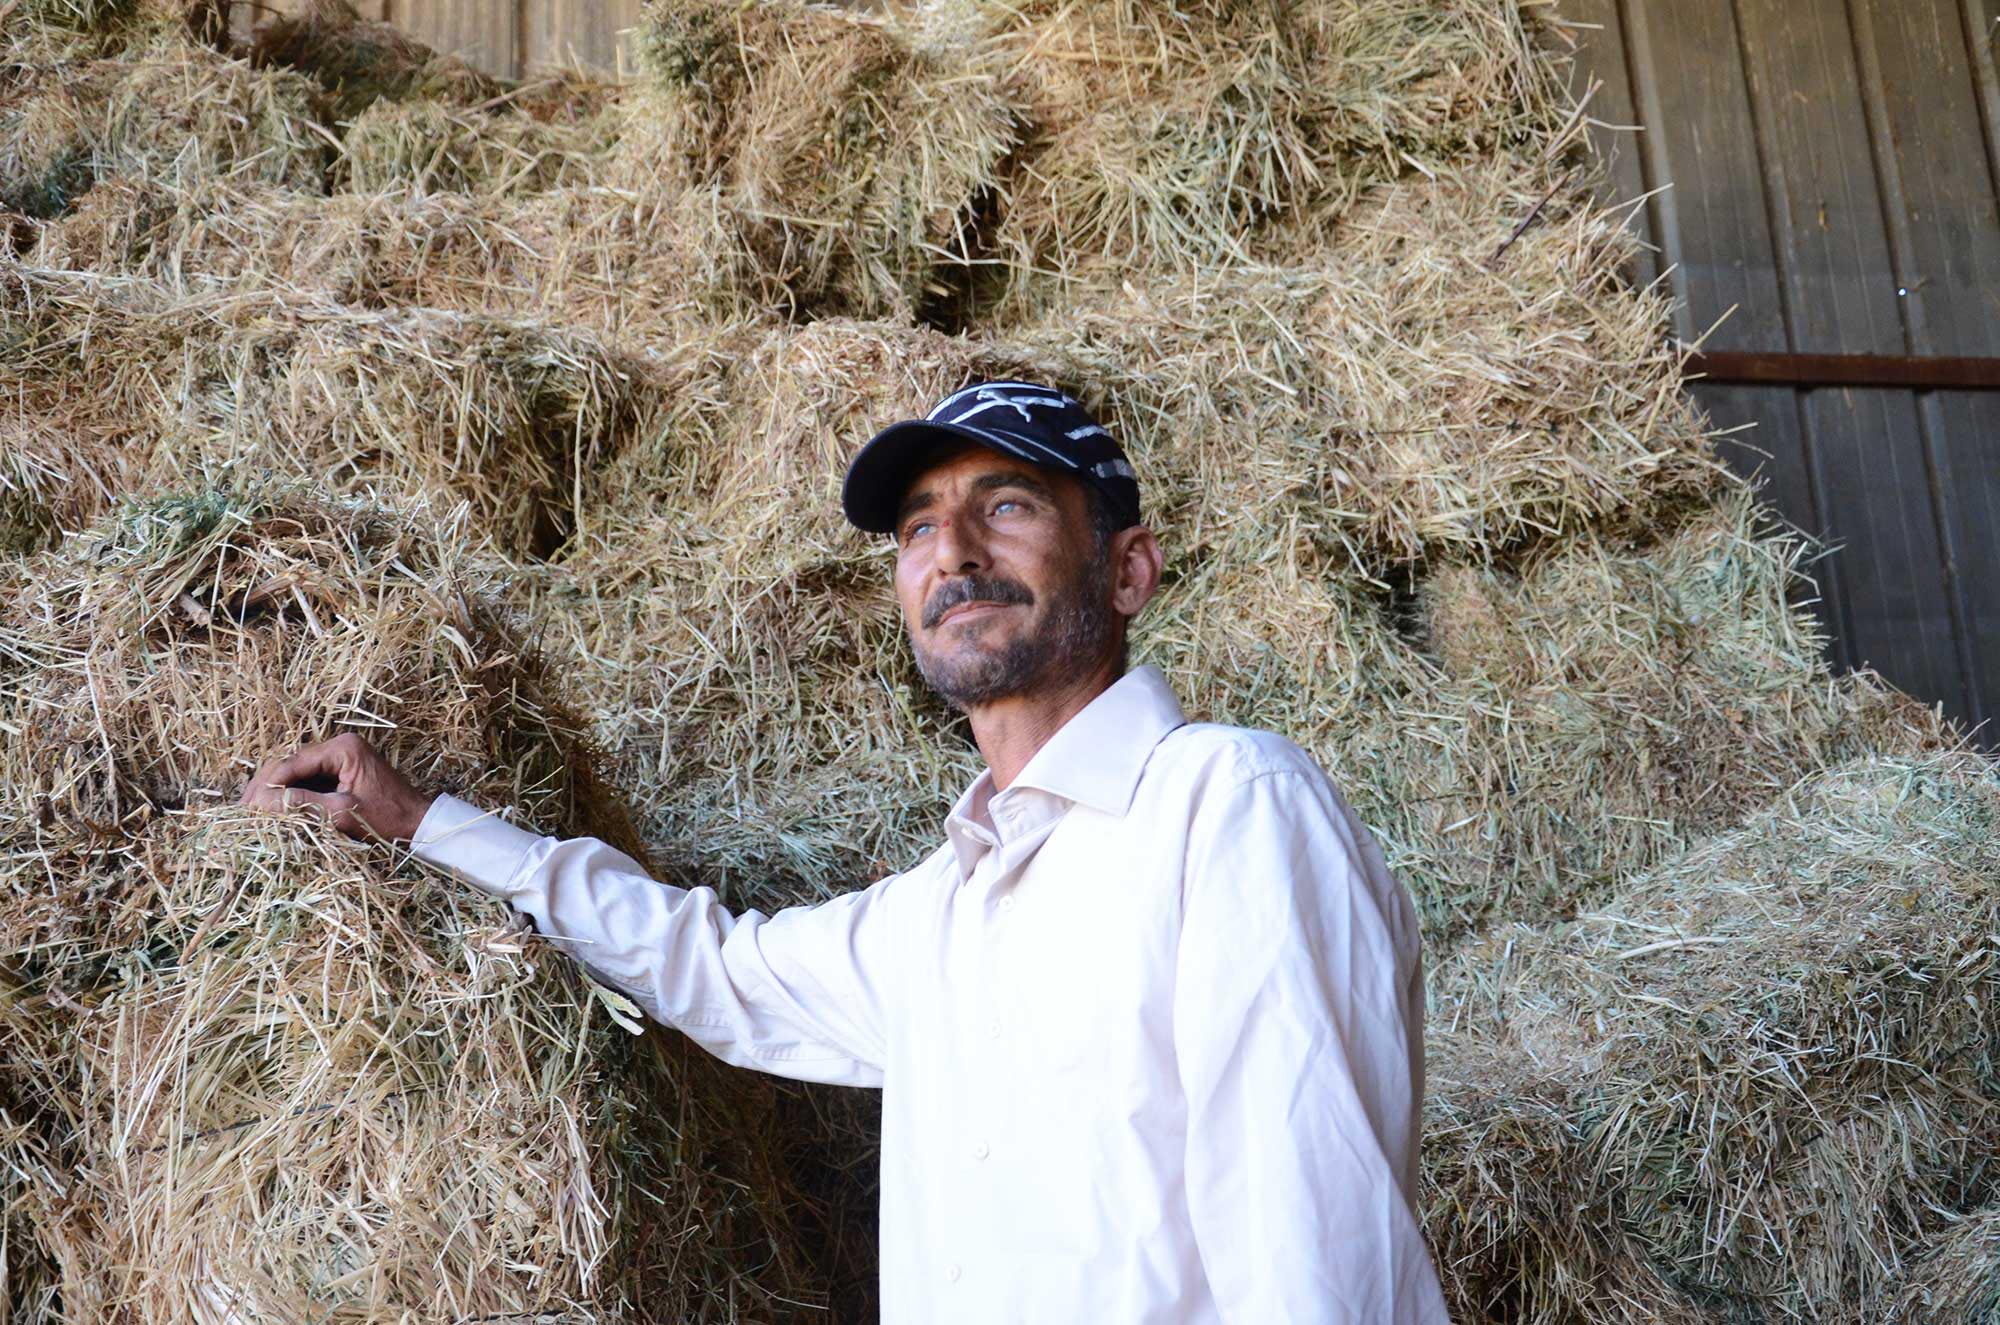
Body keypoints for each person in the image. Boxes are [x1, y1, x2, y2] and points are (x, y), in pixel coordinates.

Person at [242, 380, 1450, 1323]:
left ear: (1127, 568)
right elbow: (711, 966)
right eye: (919, 525)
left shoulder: (1225, 804)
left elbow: (1313, 1232)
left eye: (1008, 504)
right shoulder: (945, 907)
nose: (954, 549)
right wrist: (425, 824)